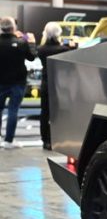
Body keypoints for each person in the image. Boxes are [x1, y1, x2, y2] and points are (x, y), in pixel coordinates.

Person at [36, 21, 75, 150]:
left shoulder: (41, 49)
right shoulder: (63, 50)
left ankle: (45, 140)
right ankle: (58, 139)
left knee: (45, 113)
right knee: (59, 114)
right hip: (60, 85)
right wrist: (72, 47)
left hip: (46, 83)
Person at [0, 16, 37, 149]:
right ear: (13, 28)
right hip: (17, 82)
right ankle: (9, 141)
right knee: (13, 110)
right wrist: (32, 42)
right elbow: (32, 57)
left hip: (2, 81)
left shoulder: (20, 41)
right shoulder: (21, 42)